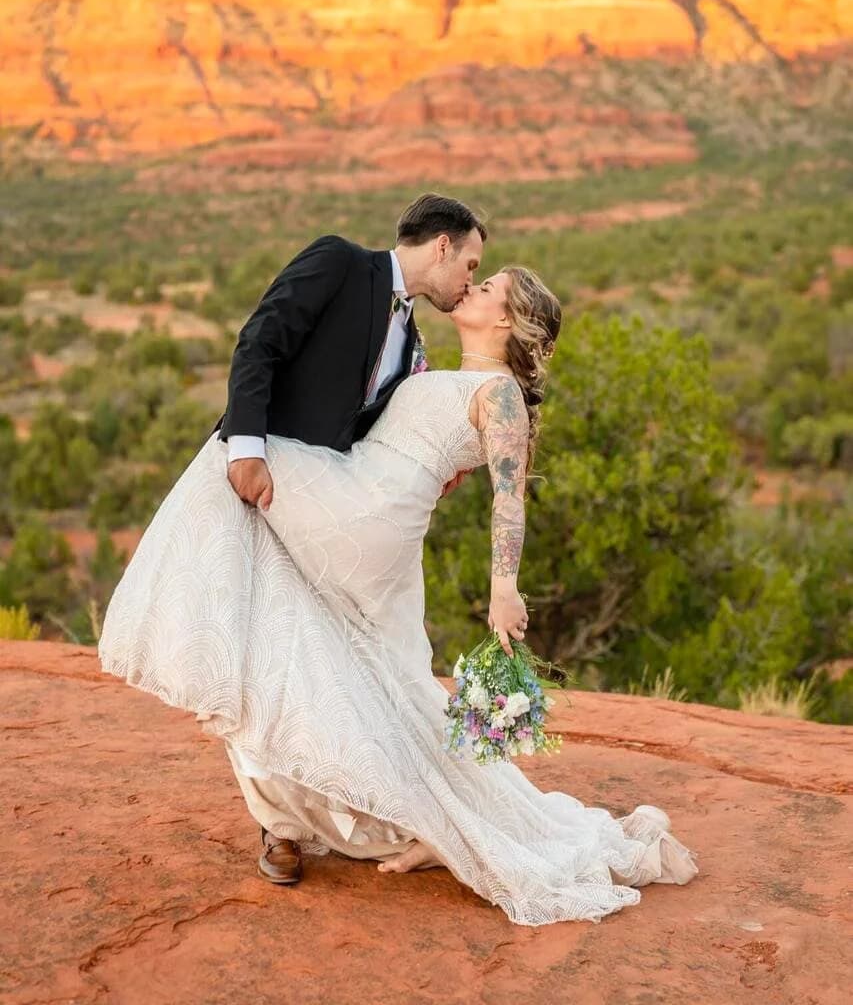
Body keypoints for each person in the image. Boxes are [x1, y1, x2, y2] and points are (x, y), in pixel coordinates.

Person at [98, 196, 699, 927]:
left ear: (506, 322)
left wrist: (502, 586)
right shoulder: (408, 340)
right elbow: (283, 356)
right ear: (441, 248)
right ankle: (362, 822)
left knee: (222, 460)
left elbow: (511, 499)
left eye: (487, 285)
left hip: (364, 512)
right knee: (317, 657)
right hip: (364, 510)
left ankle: (193, 643)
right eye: (472, 268)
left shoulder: (496, 393)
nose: (471, 286)